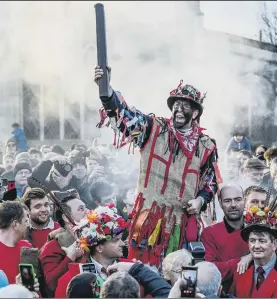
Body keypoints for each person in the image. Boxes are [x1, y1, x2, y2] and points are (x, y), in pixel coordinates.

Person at [94, 66, 220, 266]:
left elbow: (211, 182)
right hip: (147, 221)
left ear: (195, 113)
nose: (178, 109)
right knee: (142, 272)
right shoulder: (153, 128)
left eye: (185, 106)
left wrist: (200, 201)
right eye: (176, 105)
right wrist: (106, 89)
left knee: (178, 274)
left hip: (181, 225)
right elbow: (124, 116)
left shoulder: (207, 146)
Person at [54, 205, 129, 298]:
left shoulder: (132, 268)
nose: (122, 243)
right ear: (99, 247)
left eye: (121, 239)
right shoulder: (71, 279)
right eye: (116, 240)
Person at [200, 184, 251, 292]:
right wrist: (245, 260)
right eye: (227, 201)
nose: (233, 205)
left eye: (238, 200)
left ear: (244, 200)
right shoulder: (210, 233)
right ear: (220, 203)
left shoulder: (257, 228)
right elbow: (211, 270)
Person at [39, 192, 88, 294]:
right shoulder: (53, 246)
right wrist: (70, 257)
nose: (88, 212)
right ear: (66, 217)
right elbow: (52, 283)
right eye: (81, 209)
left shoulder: (94, 238)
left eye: (85, 207)